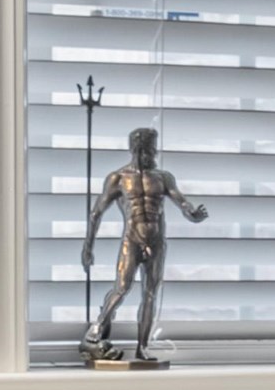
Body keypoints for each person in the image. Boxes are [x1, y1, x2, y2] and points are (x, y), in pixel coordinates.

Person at [81, 127, 207, 360]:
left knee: (150, 294)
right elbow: (95, 213)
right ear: (134, 149)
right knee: (121, 287)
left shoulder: (163, 178)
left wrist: (193, 214)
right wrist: (88, 247)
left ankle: (142, 347)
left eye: (151, 149)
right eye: (144, 149)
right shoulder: (118, 178)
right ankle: (98, 327)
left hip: (157, 242)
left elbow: (182, 202)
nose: (149, 154)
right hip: (132, 239)